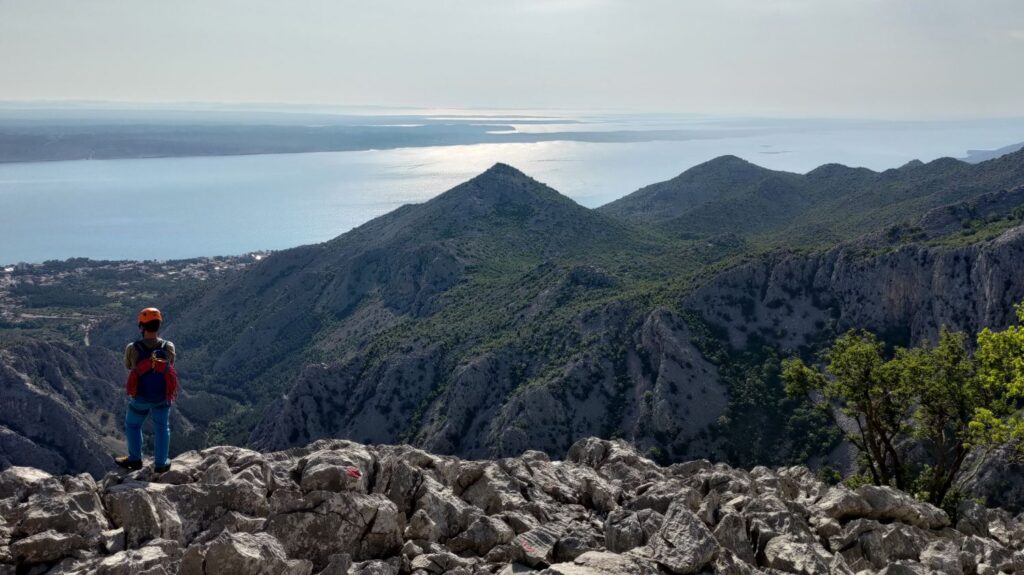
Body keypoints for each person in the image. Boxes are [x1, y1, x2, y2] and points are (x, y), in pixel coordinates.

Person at [115, 307, 179, 473]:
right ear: (158, 326)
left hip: (140, 397)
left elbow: (129, 366)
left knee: (133, 425)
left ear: (141, 327)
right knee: (162, 427)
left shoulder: (133, 348)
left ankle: (135, 459)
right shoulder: (168, 346)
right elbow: (170, 366)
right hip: (162, 396)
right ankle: (161, 464)